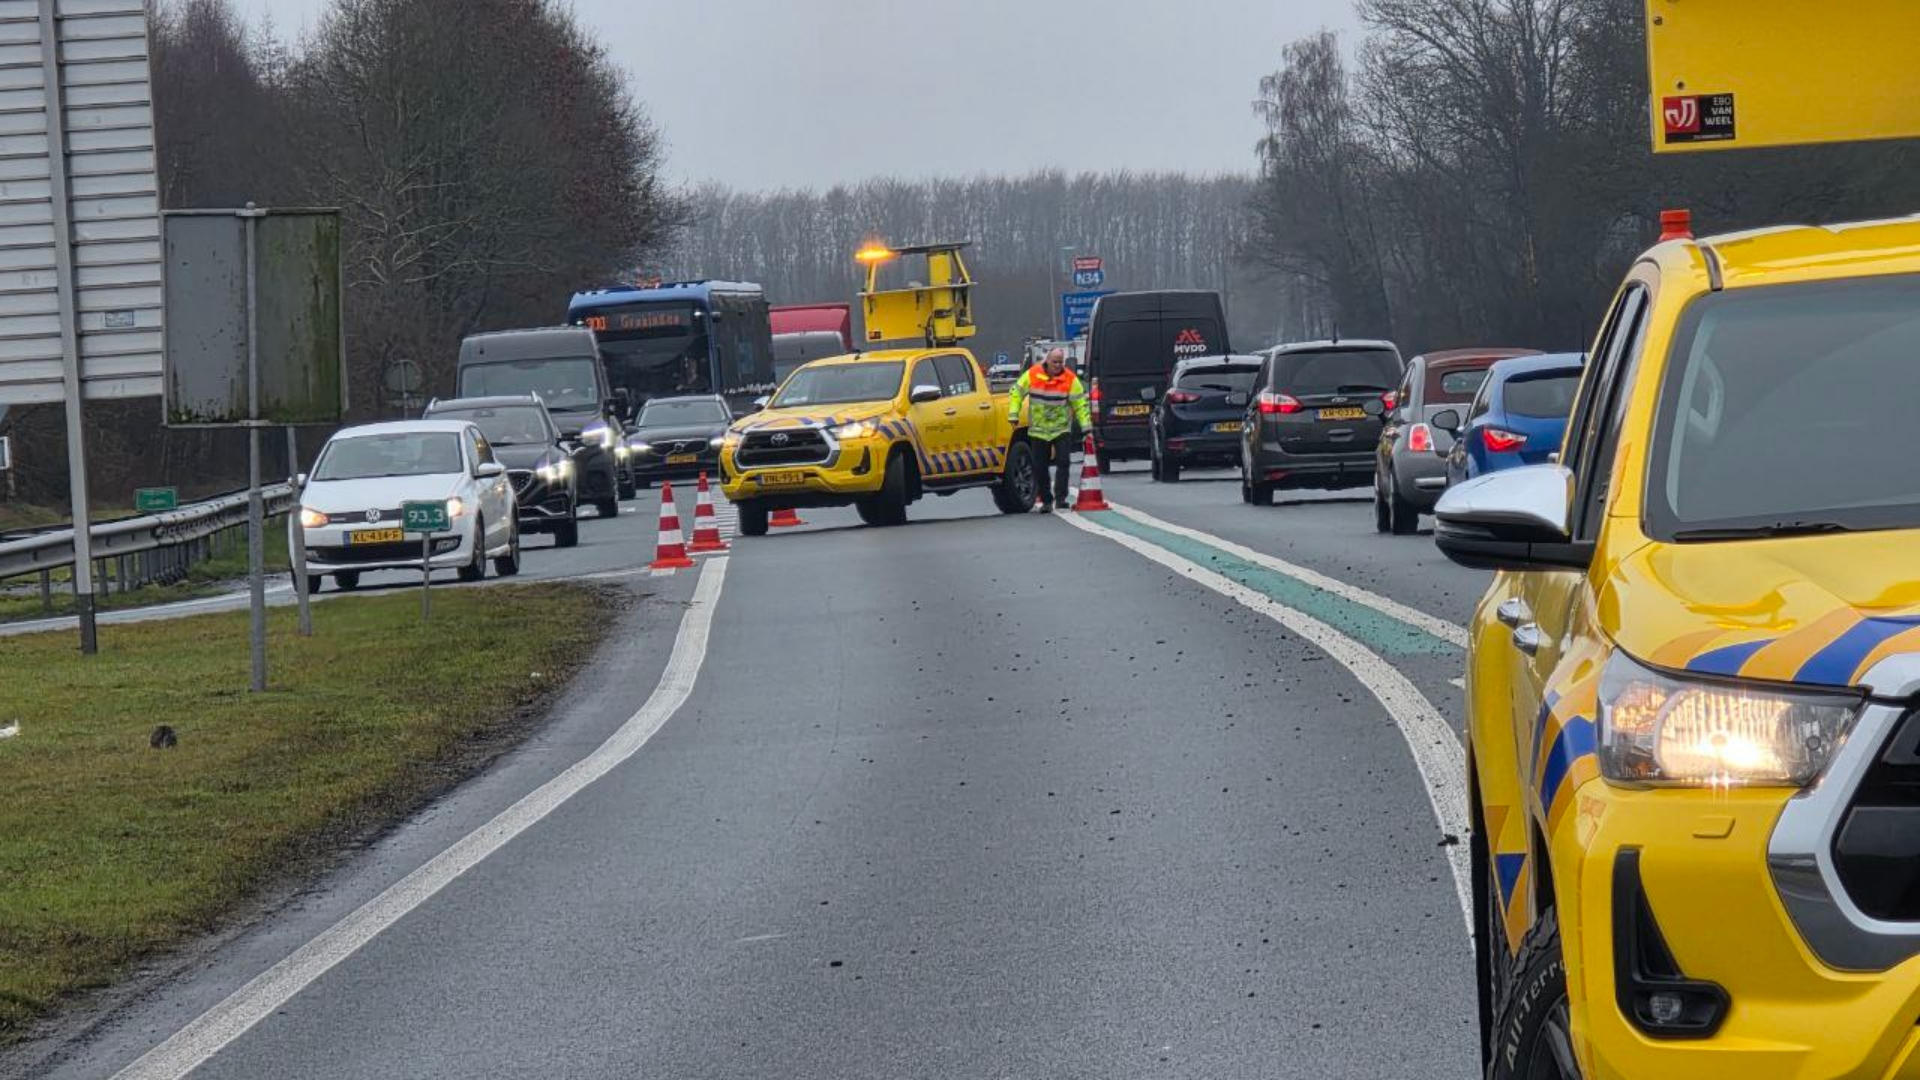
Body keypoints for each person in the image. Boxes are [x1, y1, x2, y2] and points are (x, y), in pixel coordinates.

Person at [1008, 347, 1092, 513]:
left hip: (1061, 429)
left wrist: (1086, 426)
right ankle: (1046, 500)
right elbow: (1016, 391)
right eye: (1055, 362)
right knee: (1040, 467)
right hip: (1038, 430)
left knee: (1063, 462)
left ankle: (1061, 499)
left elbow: (1080, 404)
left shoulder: (1070, 379)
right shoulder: (1033, 374)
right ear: (1047, 360)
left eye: (1060, 362)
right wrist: (1013, 413)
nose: (1058, 365)